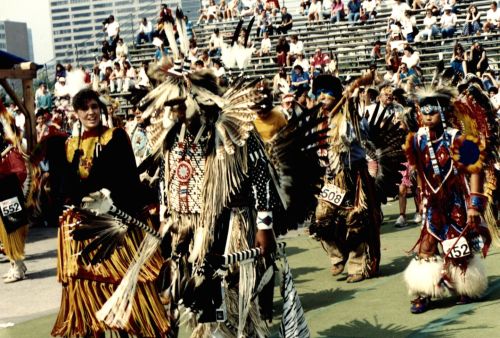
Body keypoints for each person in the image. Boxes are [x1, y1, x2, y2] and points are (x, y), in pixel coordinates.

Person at [48, 89, 169, 337]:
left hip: (113, 223)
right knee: (85, 286)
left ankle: (134, 326)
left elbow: (127, 180)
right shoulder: (69, 145)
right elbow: (63, 188)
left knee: (125, 283)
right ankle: (93, 328)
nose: (91, 112)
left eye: (94, 107)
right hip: (83, 228)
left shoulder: (115, 137)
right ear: (77, 113)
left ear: (100, 110)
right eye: (85, 109)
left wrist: (111, 200)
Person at [403, 87, 493, 314]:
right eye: (424, 112)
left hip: (455, 203)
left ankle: (464, 286)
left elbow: (475, 170)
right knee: (426, 248)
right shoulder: (416, 141)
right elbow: (420, 172)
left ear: (443, 112)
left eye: (432, 111)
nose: (427, 115)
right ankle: (425, 292)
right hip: (433, 205)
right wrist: (422, 196)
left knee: (457, 249)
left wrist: (474, 204)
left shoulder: (456, 138)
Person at [308, 75, 386, 283]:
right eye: (319, 92)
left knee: (355, 219)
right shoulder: (317, 120)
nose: (322, 96)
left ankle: (357, 266)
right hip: (331, 178)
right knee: (321, 218)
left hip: (353, 175)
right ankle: (338, 255)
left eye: (327, 92)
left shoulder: (349, 116)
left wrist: (350, 113)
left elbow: (356, 137)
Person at [0, 100, 31, 283]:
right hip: (4, 192)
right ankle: (15, 264)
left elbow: (20, 172)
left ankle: (18, 266)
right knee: (4, 231)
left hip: (8, 192)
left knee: (12, 230)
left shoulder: (10, 151)